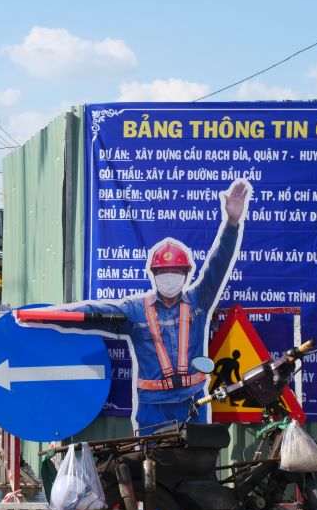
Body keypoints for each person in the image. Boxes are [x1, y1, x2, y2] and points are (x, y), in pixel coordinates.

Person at [18, 178, 251, 434]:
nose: (170, 277)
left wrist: (231, 223)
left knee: (197, 464)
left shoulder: (199, 301)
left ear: (185, 275)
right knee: (151, 466)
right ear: (153, 274)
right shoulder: (135, 310)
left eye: (176, 271)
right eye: (164, 271)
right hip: (153, 408)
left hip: (192, 403)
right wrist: (37, 316)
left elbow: (217, 265)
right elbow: (88, 315)